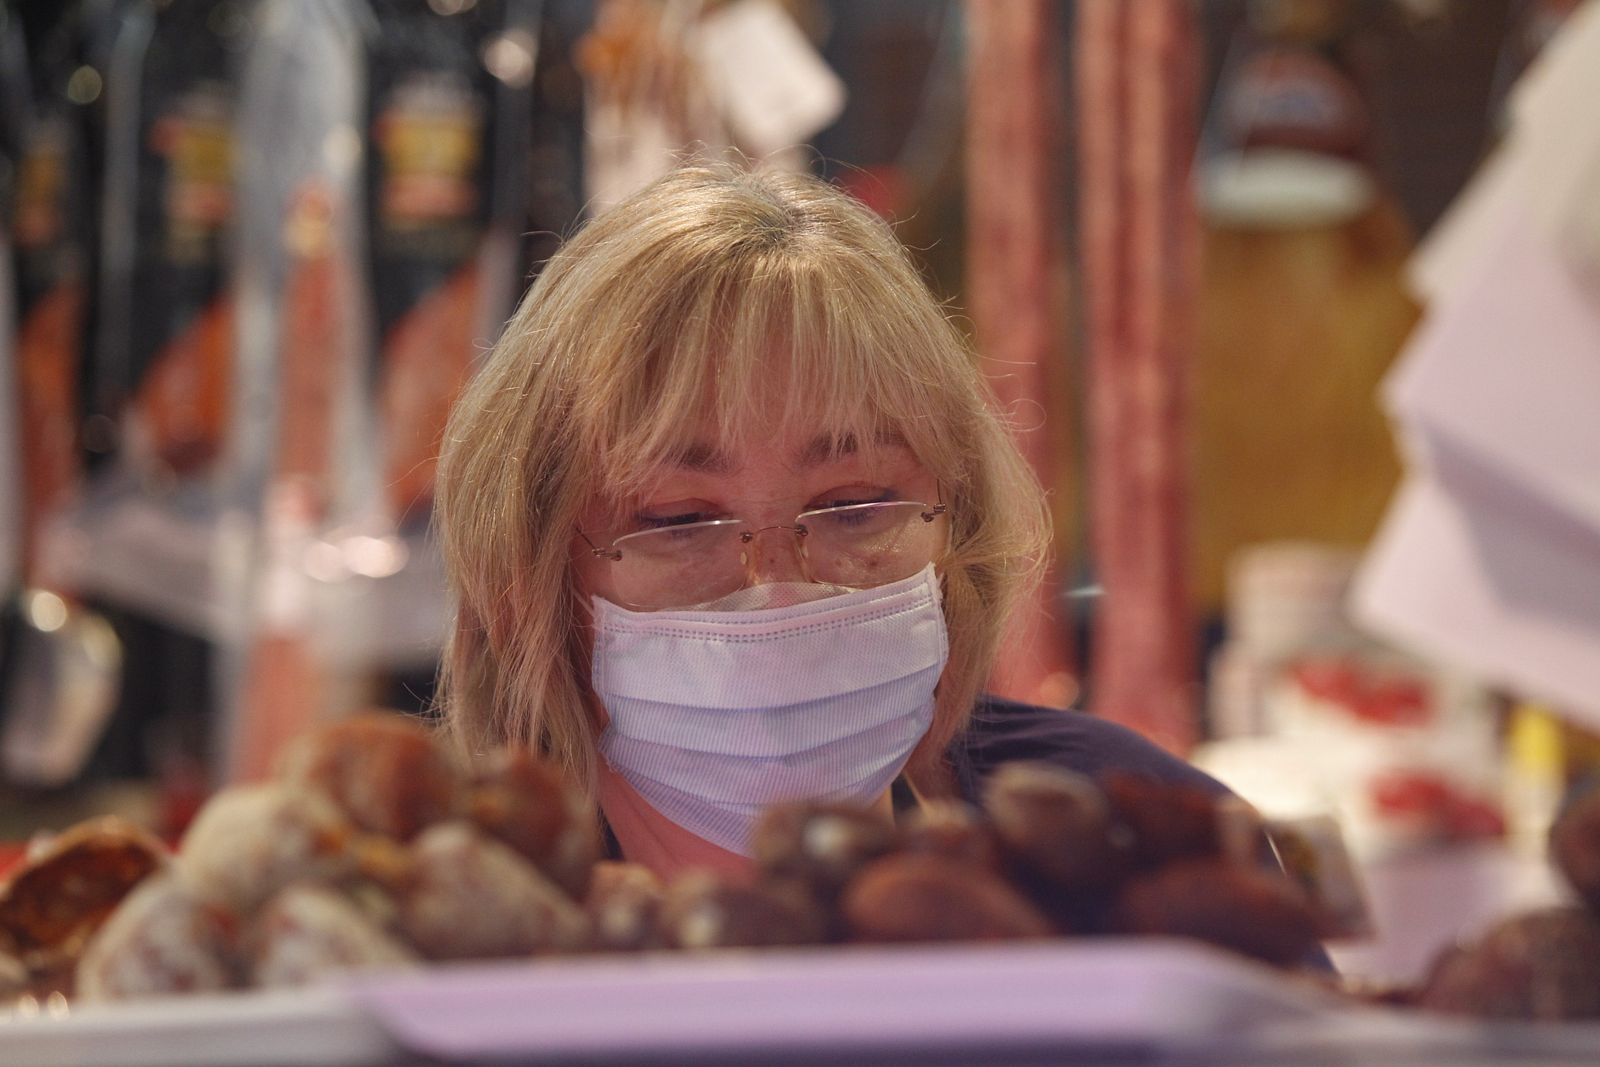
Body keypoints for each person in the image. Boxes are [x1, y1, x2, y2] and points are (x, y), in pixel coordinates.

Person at [434, 161, 1222, 880]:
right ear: (527, 577)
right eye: (678, 518)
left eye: (855, 505)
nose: (781, 590)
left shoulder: (1141, 848)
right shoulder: (427, 914)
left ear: (958, 527)